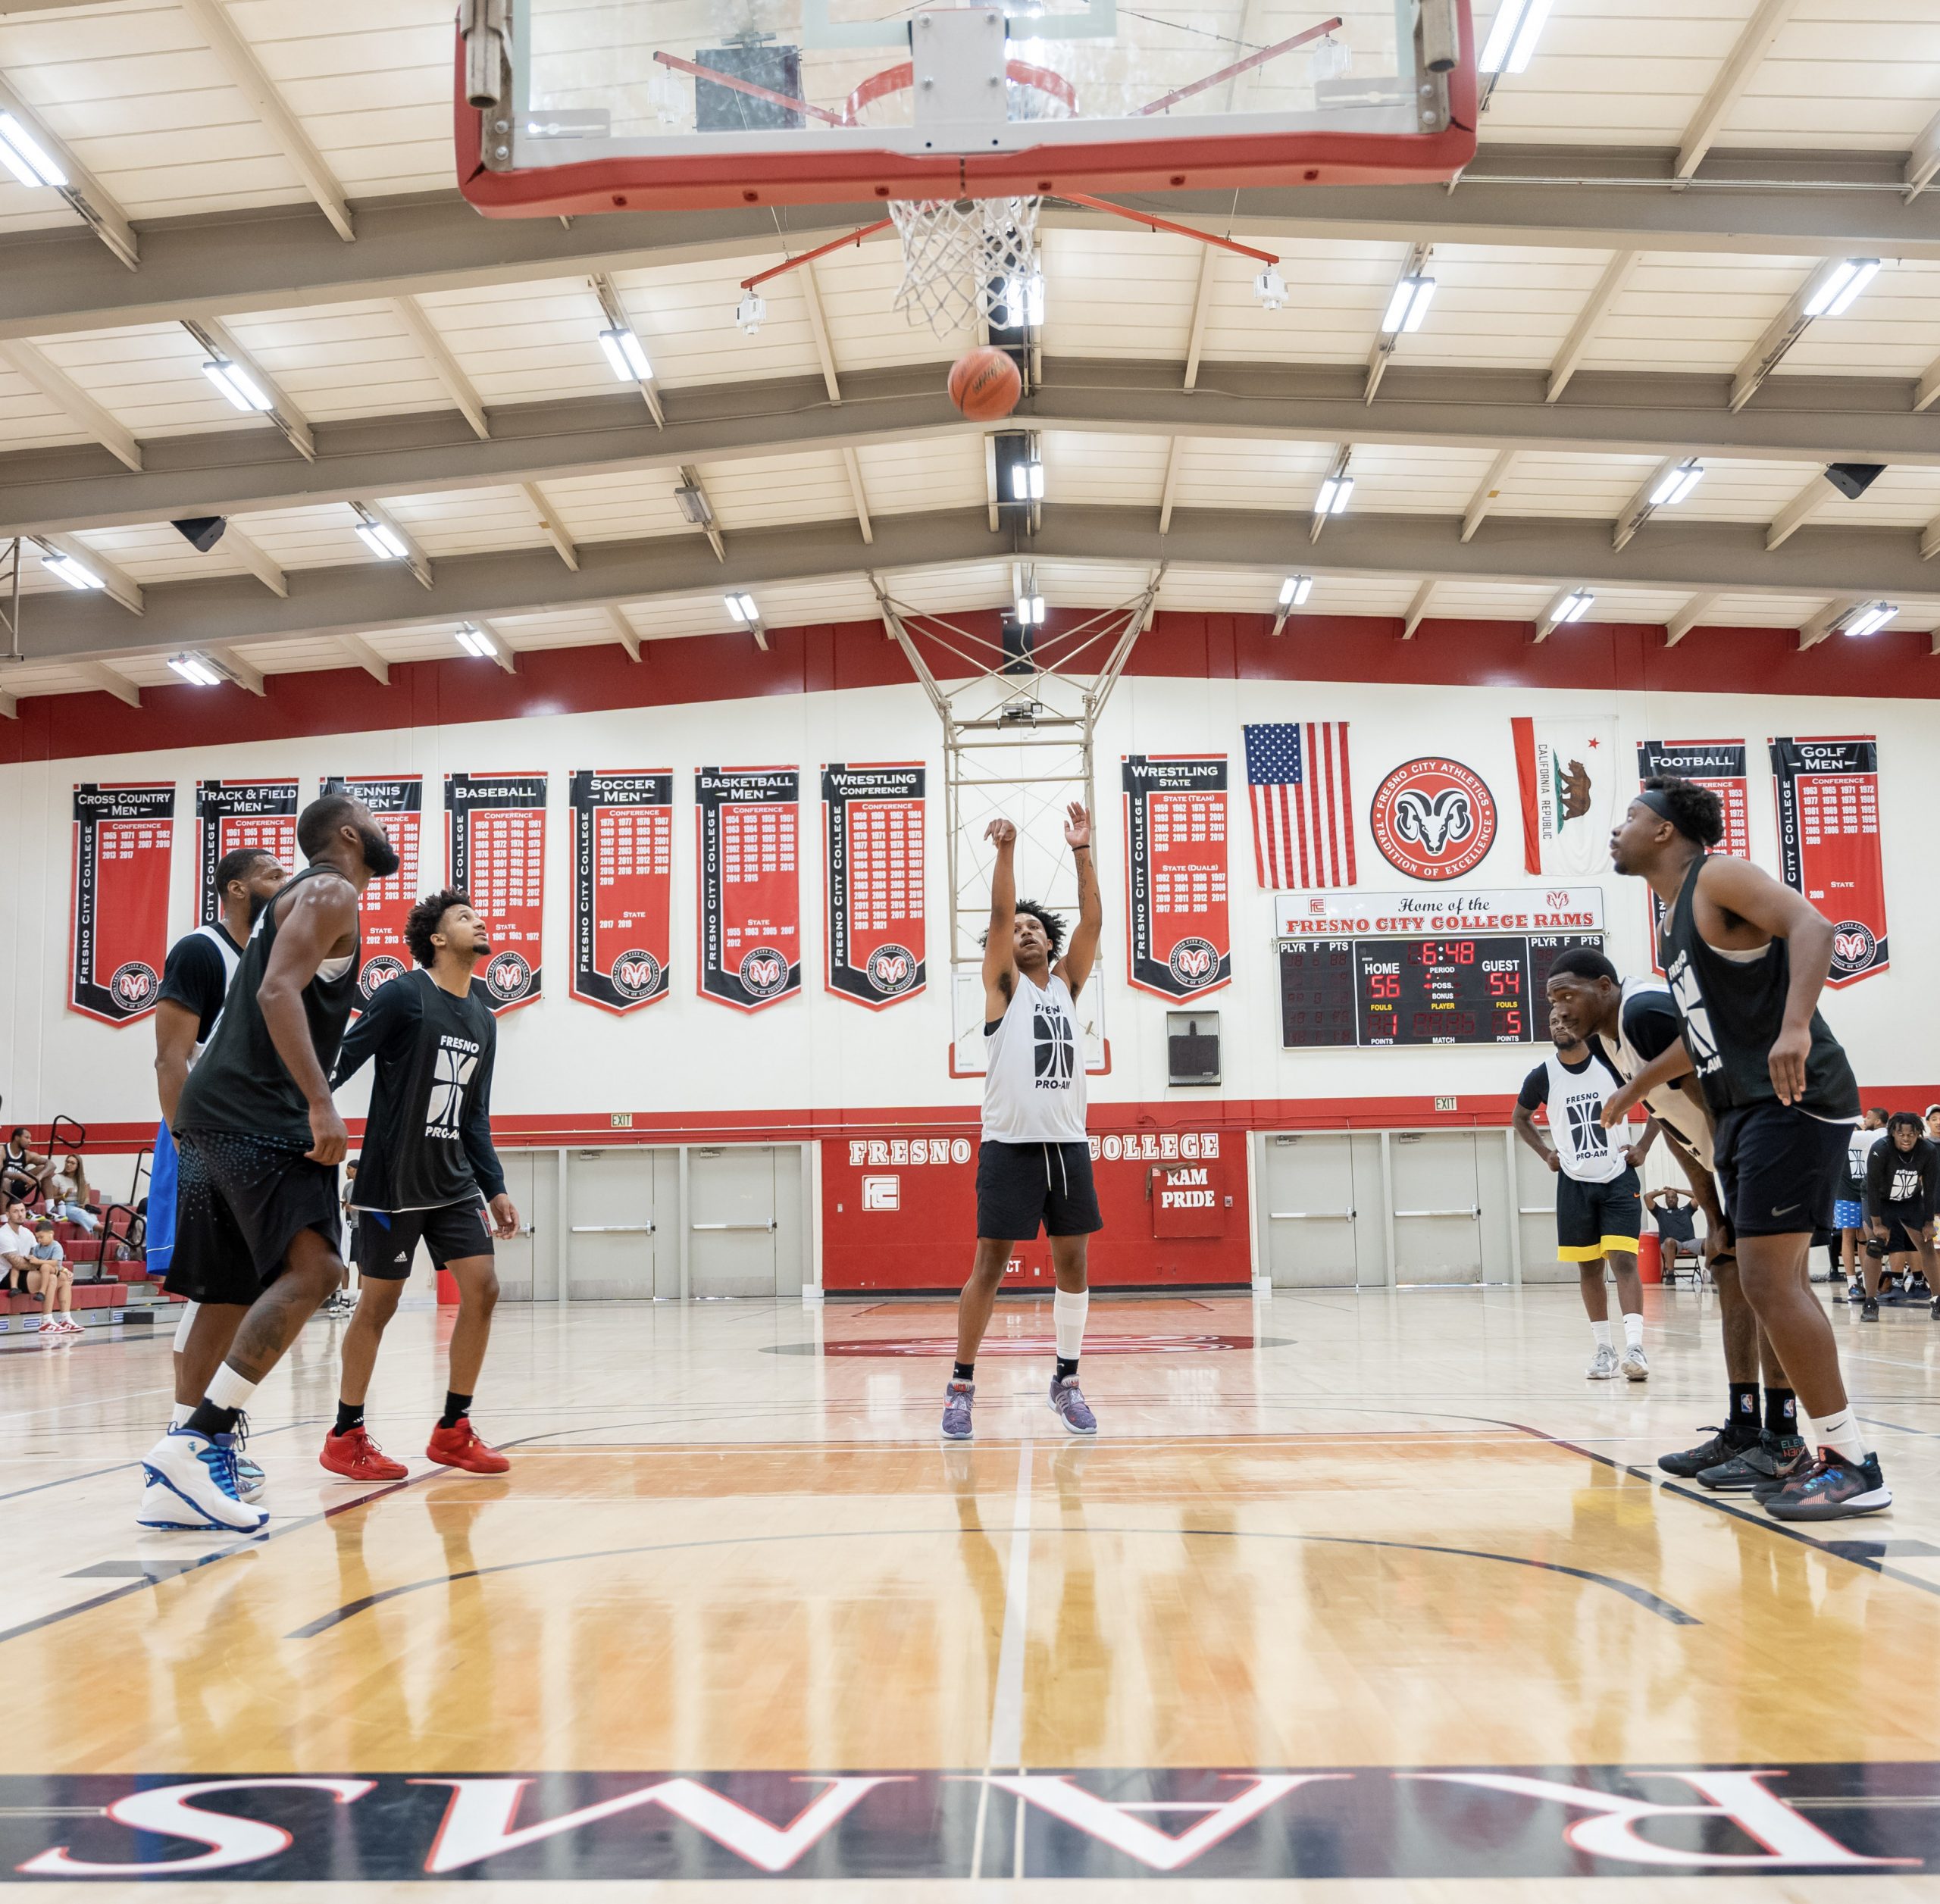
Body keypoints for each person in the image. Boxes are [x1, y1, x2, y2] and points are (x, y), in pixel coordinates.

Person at [1603, 774, 1887, 1521]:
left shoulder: (1716, 874)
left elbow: (1814, 927)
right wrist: (1634, 1091)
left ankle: (1850, 1460)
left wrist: (1796, 1025)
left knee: (1765, 1281)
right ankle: (1814, 1449)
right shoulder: (1673, 919)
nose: (1618, 827)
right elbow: (1703, 1039)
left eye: (1631, 815)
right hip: (1746, 1109)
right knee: (1769, 1280)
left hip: (1793, 1095)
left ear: (1666, 830)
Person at [137, 794, 396, 1532]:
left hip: (211, 1116)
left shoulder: (296, 898)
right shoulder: (329, 888)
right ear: (348, 834)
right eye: (375, 818)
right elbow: (278, 989)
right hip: (260, 1113)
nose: (385, 828)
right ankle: (195, 1444)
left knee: (224, 1293)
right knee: (317, 1273)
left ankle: (176, 1480)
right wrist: (321, 1101)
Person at [1546, 943, 1802, 1493]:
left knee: (1772, 1285)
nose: (1560, 1008)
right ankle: (1744, 1428)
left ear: (1605, 985)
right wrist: (1712, 1212)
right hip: (1733, 1159)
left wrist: (1736, 1181)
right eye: (1551, 999)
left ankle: (1786, 1442)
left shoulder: (1641, 1011)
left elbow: (1713, 1073)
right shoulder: (1610, 1041)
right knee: (1733, 1274)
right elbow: (1677, 1121)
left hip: (1772, 1143)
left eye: (1568, 994)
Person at [322, 889, 519, 1481]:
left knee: (482, 1288)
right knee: (378, 1304)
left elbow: (473, 1114)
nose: (479, 920)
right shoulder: (404, 995)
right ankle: (345, 1432)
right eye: (463, 917)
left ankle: (454, 1429)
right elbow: (344, 1059)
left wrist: (496, 1186)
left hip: (454, 1181)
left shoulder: (483, 1016)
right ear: (436, 938)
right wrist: (305, 1109)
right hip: (392, 1183)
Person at [943, 802, 1103, 1440]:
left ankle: (1065, 1380)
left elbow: (1093, 919)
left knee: (1074, 1266)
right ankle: (960, 1385)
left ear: (1051, 943)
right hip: (1009, 1146)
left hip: (1067, 1146)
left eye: (1038, 926)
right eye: (1019, 927)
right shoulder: (1003, 989)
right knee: (990, 1264)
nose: (1026, 930)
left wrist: (1082, 850)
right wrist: (1005, 850)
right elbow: (999, 915)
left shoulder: (1065, 985)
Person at [141, 846, 288, 1526]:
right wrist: (184, 1141)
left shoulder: (264, 957)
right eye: (272, 875)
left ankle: (201, 1442)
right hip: (200, 1140)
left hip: (248, 1142)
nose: (284, 884)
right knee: (213, 1293)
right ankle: (188, 1447)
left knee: (235, 1295)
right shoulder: (201, 950)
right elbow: (171, 1054)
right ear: (235, 886)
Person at [1514, 1011, 1651, 1380]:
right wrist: (1546, 1154)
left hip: (1618, 1176)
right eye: (1552, 1020)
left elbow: (1659, 1097)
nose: (1557, 1024)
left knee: (1623, 1260)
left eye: (1564, 1019)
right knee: (1589, 1267)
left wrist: (1645, 1145)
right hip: (1574, 1183)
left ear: (1582, 1025)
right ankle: (1604, 1350)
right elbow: (1520, 1117)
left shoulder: (1611, 1063)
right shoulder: (1543, 1075)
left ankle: (1635, 1347)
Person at [1860, 1111, 1938, 1321]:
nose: (1906, 1138)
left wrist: (1929, 1222)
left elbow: (1929, 1190)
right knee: (1875, 1244)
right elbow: (1873, 1189)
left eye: (1911, 1134)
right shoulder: (1881, 1150)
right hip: (1880, 1200)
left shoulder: (1928, 1151)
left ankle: (1937, 1300)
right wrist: (1877, 1224)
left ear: (1918, 1134)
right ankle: (1870, 1302)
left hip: (1909, 1200)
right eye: (1900, 1134)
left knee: (1927, 1243)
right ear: (1892, 1133)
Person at [1835, 1109, 1888, 1296]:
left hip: (1865, 1191)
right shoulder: (1840, 1137)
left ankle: (1868, 1280)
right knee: (1847, 1236)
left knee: (1864, 1236)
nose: (1865, 1120)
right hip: (1845, 1193)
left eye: (1867, 1118)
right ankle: (1851, 1284)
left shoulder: (1870, 1136)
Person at [28, 1219, 78, 1334]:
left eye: (41, 1237)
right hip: (42, 1270)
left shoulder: (57, 1246)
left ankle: (65, 1318)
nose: (39, 1240)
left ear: (51, 1234)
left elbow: (56, 1263)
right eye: (38, 1238)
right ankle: (49, 1320)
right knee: (51, 1272)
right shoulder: (38, 1247)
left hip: (52, 1269)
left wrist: (39, 1261)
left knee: (48, 1268)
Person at [1643, 1186, 1701, 1279]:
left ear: (1677, 1199)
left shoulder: (1687, 1210)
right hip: (1671, 1245)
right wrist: (1663, 1192)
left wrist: (1678, 1190)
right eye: (1668, 1198)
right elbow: (1647, 1197)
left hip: (1689, 1242)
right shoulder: (1660, 1212)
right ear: (1665, 1200)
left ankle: (1717, 1273)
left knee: (1710, 1242)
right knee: (1669, 1241)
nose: (1671, 1199)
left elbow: (1699, 1195)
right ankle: (1670, 1275)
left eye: (1673, 1197)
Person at [46, 1154, 99, 1235]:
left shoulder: (83, 1179)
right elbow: (52, 1200)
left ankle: (98, 1232)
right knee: (79, 1213)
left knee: (90, 1214)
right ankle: (101, 1229)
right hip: (63, 1206)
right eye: (67, 1162)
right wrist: (64, 1195)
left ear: (78, 1166)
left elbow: (87, 1198)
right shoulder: (58, 1178)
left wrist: (85, 1205)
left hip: (78, 1205)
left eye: (72, 1163)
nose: (68, 1165)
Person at [2, 1127, 51, 1205]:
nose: (30, 1141)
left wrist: (39, 1177)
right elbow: (1, 1173)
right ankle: (3, 1215)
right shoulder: (2, 1151)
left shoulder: (28, 1155)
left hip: (16, 1188)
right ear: (17, 1138)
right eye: (27, 1137)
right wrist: (21, 1176)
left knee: (44, 1169)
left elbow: (51, 1164)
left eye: (30, 1138)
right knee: (5, 1181)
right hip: (3, 1188)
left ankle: (50, 1208)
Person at [1, 1200, 36, 1294]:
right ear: (8, 1215)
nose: (20, 1214)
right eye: (15, 1211)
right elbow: (18, 1264)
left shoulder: (28, 1233)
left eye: (22, 1210)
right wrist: (44, 1264)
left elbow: (40, 1253)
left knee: (61, 1277)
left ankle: (62, 1310)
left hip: (22, 1271)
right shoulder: (3, 1234)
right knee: (49, 1277)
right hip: (4, 1276)